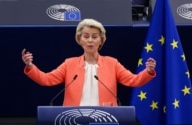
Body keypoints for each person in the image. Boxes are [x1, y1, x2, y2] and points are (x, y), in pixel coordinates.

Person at [21, 18, 156, 106]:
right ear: (80, 40)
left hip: (105, 118)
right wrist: (30, 66)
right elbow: (46, 79)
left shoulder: (112, 63)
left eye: (94, 37)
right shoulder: (69, 64)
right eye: (86, 36)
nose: (90, 40)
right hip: (73, 118)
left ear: (101, 41)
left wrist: (148, 71)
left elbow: (134, 80)